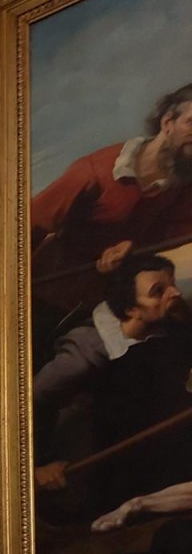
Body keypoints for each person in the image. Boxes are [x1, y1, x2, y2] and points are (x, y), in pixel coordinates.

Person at [31, 85, 192, 362]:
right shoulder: (94, 171)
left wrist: (132, 246)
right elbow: (24, 229)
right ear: (168, 122)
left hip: (102, 304)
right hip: (44, 291)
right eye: (191, 123)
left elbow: (175, 230)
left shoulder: (180, 186)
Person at [33, 254, 190, 494]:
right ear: (131, 309)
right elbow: (32, 401)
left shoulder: (158, 322)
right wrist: (42, 462)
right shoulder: (82, 358)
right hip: (86, 445)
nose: (175, 293)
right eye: (158, 291)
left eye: (173, 284)